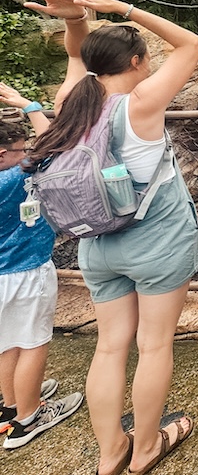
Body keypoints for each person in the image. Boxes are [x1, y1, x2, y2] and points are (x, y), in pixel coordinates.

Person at [24, 0, 198, 475]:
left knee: (108, 348)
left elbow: (80, 66)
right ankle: (145, 447)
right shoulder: (141, 105)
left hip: (97, 245)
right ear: (140, 61)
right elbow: (191, 43)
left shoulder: (69, 104)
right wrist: (118, 8)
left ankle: (110, 455)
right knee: (154, 345)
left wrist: (74, 21)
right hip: (157, 245)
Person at [0, 88, 83, 449]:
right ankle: (29, 417)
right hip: (26, 271)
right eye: (20, 148)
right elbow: (55, 146)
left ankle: (11, 404)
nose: (27, 151)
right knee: (33, 342)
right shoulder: (14, 177)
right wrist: (28, 105)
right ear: (4, 153)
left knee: (7, 343)